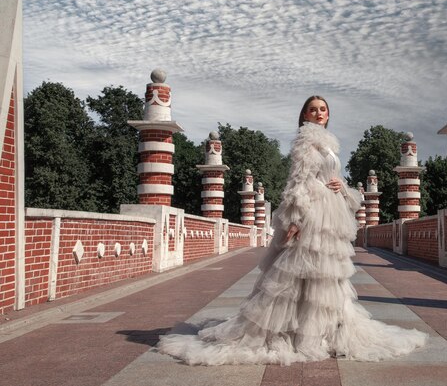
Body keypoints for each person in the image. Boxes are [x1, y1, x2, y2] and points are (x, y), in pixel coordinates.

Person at [157, 96, 428, 365]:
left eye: (323, 109)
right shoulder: (305, 140)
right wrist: (296, 220)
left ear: (328, 113)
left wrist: (341, 187)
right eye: (313, 109)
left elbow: (333, 177)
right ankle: (299, 335)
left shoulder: (329, 142)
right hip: (313, 215)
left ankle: (326, 333)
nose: (319, 113)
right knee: (298, 278)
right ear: (305, 115)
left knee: (326, 278)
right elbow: (299, 181)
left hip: (330, 215)